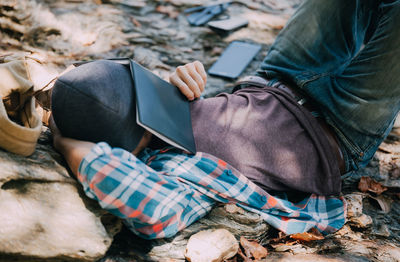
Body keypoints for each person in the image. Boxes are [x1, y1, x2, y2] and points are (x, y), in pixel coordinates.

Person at [49, 0, 399, 239]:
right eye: (141, 100)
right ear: (128, 133)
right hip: (339, 128)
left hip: (278, 76)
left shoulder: (166, 108)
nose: (151, 92)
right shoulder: (173, 172)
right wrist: (66, 142)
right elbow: (155, 212)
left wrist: (182, 82)